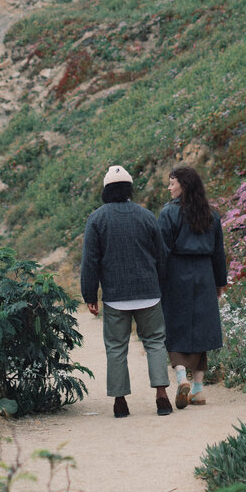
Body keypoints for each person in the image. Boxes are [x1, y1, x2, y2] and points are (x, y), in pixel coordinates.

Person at [80, 164, 173, 418]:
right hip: (149, 293)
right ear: (130, 189)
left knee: (116, 347)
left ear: (106, 191)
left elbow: (90, 261)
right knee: (154, 342)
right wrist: (161, 286)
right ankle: (162, 397)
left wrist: (90, 295)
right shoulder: (146, 216)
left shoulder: (97, 219)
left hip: (115, 297)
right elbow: (161, 257)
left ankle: (120, 402)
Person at [158, 165, 227, 409]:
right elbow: (219, 252)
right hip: (205, 273)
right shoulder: (212, 213)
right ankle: (198, 389)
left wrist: (159, 282)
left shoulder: (168, 213)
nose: (169, 187)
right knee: (201, 328)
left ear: (183, 185)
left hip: (177, 272)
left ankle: (180, 378)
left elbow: (162, 251)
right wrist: (220, 282)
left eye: (172, 183)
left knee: (175, 327)